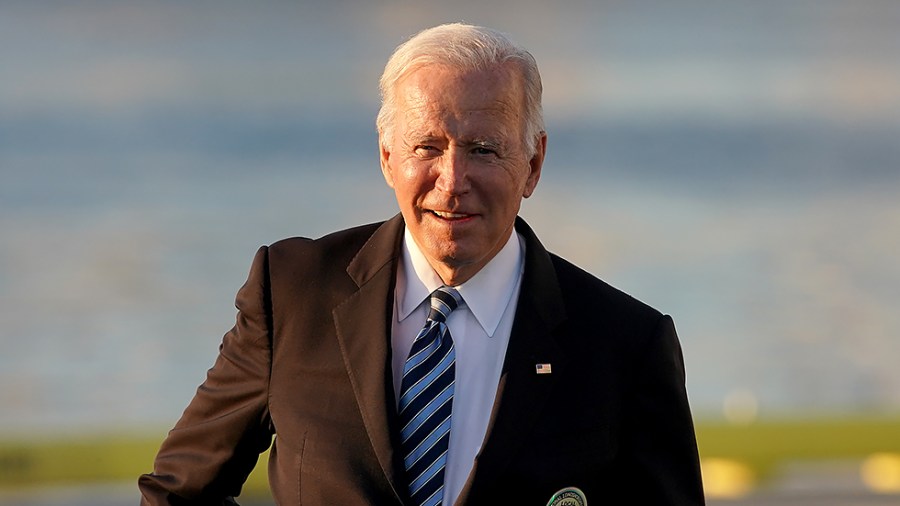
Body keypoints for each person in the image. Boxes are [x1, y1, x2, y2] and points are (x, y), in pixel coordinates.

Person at [139, 22, 704, 505]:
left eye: (484, 149)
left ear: (533, 163)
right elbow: (179, 493)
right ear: (387, 157)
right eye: (427, 147)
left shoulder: (624, 344)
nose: (453, 182)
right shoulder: (291, 294)